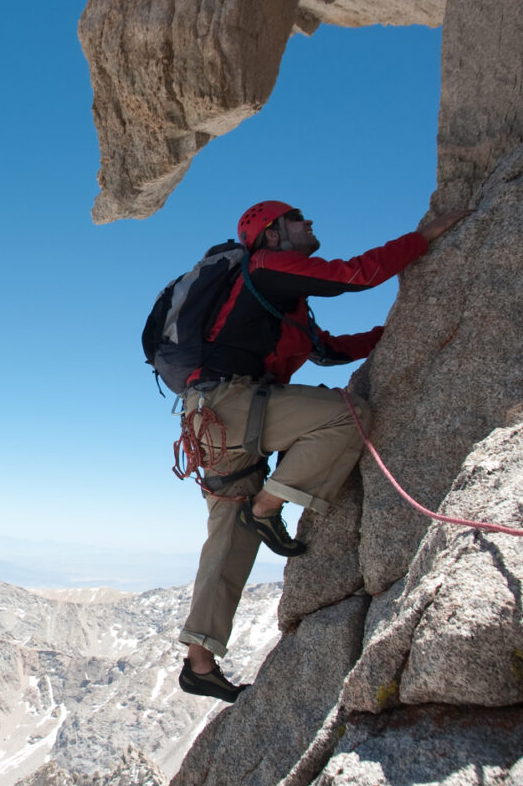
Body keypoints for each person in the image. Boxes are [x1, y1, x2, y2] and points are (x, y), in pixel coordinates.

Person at [177, 200, 469, 700]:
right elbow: (354, 276)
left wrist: (396, 336)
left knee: (228, 542)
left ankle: (198, 663)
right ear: (270, 235)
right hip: (230, 407)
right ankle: (266, 508)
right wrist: (424, 237)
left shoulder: (279, 299)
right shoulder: (267, 268)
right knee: (344, 415)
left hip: (212, 421)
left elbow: (326, 350)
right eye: (296, 218)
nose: (308, 222)